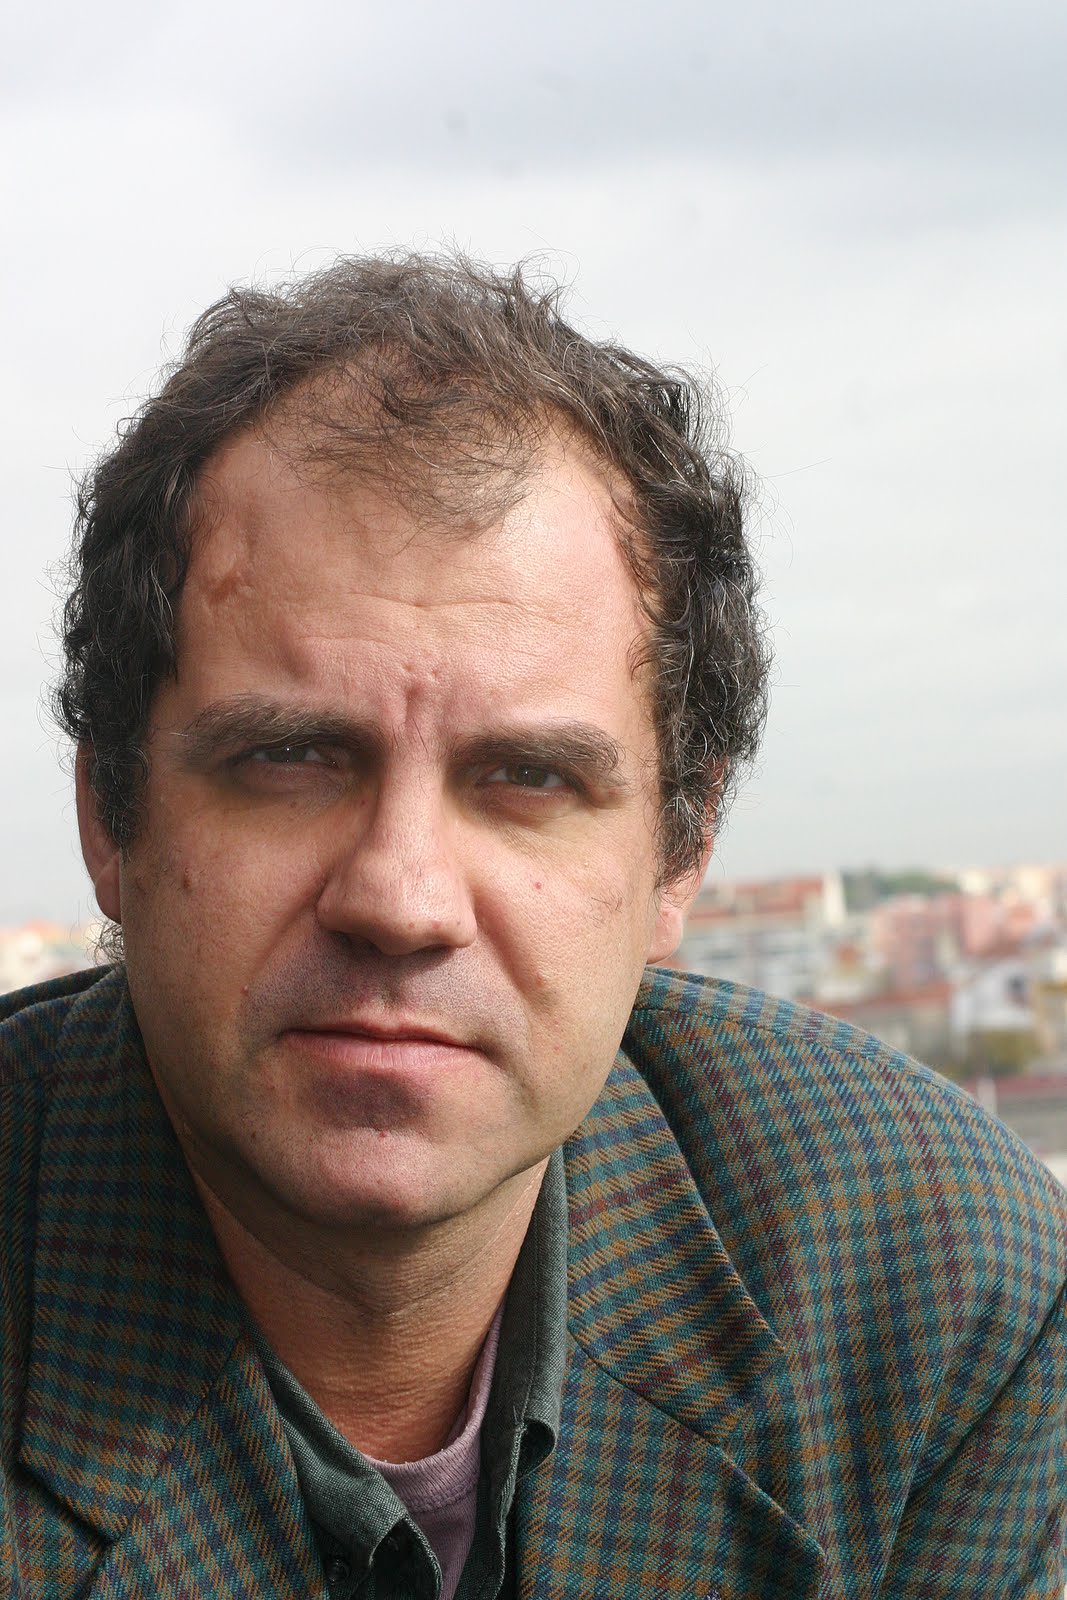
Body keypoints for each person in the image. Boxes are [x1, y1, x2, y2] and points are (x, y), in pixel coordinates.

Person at [1, 254, 1063, 1600]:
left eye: (528, 779)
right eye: (290, 758)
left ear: (679, 855)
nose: (401, 899)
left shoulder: (926, 1282)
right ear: (110, 813)